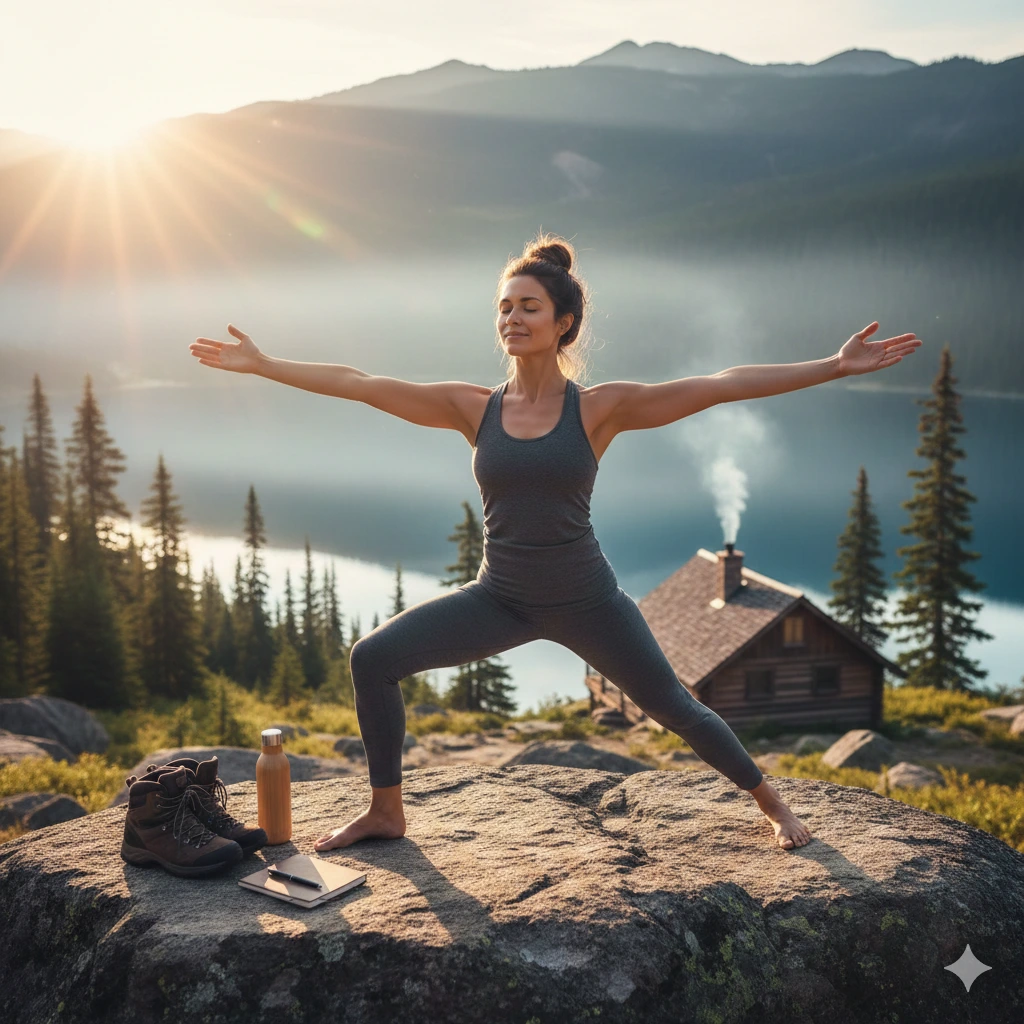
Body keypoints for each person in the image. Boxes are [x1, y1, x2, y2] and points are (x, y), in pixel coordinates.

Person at [189, 233, 921, 852]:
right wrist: (265, 364)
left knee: (675, 706)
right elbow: (359, 381)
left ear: (564, 321)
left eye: (528, 307)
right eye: (503, 307)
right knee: (373, 657)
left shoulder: (601, 409)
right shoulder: (472, 407)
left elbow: (721, 384)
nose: (512, 317)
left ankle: (775, 807)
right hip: (500, 597)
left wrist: (832, 366)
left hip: (586, 599)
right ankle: (387, 810)